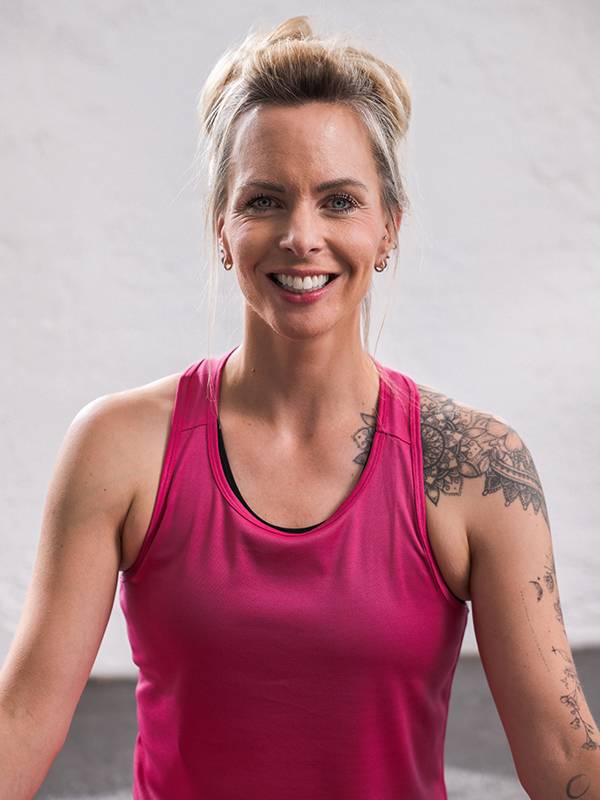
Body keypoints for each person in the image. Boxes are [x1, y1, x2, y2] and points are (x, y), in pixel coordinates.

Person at [1, 14, 598, 800]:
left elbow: (563, 752)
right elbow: (23, 718)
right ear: (222, 229)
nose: (301, 236)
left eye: (339, 201)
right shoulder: (119, 447)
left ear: (388, 228)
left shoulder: (476, 468)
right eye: (265, 201)